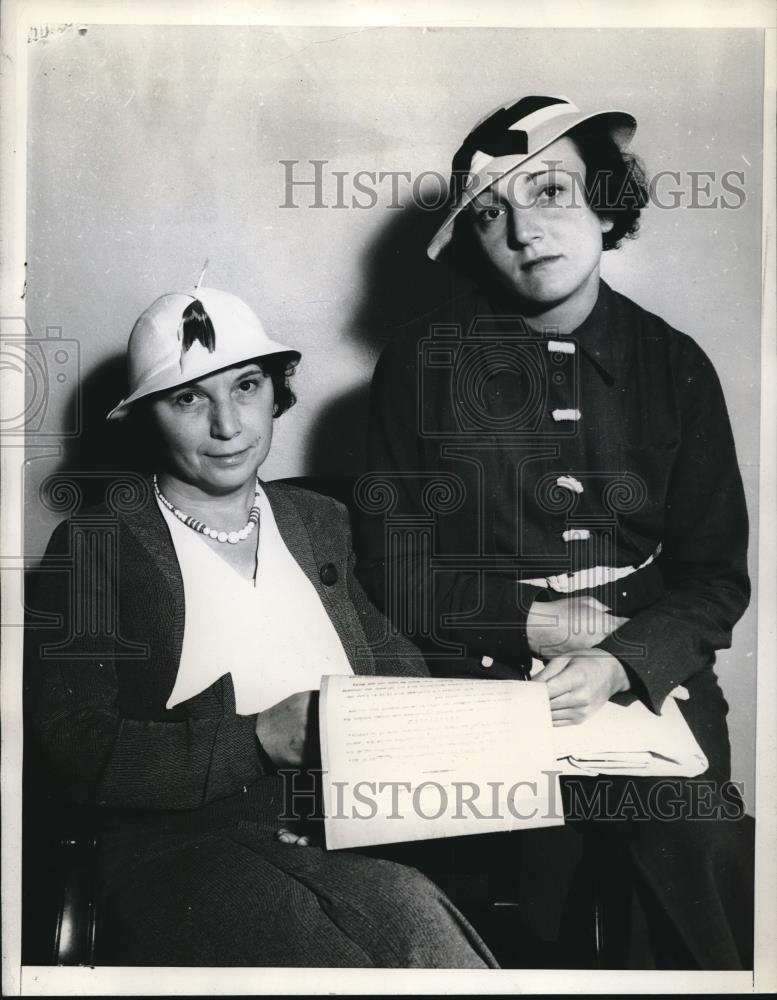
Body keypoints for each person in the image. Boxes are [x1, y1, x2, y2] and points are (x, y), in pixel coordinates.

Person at [357, 95, 754, 969]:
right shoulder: (417, 363)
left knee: (695, 863)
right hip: (460, 676)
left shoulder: (676, 365)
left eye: (549, 192)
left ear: (606, 201)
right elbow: (393, 568)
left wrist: (620, 660)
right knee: (449, 906)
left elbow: (715, 579)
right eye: (491, 212)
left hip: (637, 675)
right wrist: (524, 625)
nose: (523, 230)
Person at [24, 283, 498, 968]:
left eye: (246, 386)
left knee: (417, 924)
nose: (228, 425)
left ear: (276, 392)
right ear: (144, 418)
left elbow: (394, 667)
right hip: (178, 857)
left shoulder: (319, 522)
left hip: (345, 839)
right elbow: (70, 748)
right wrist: (261, 739)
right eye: (188, 397)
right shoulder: (98, 542)